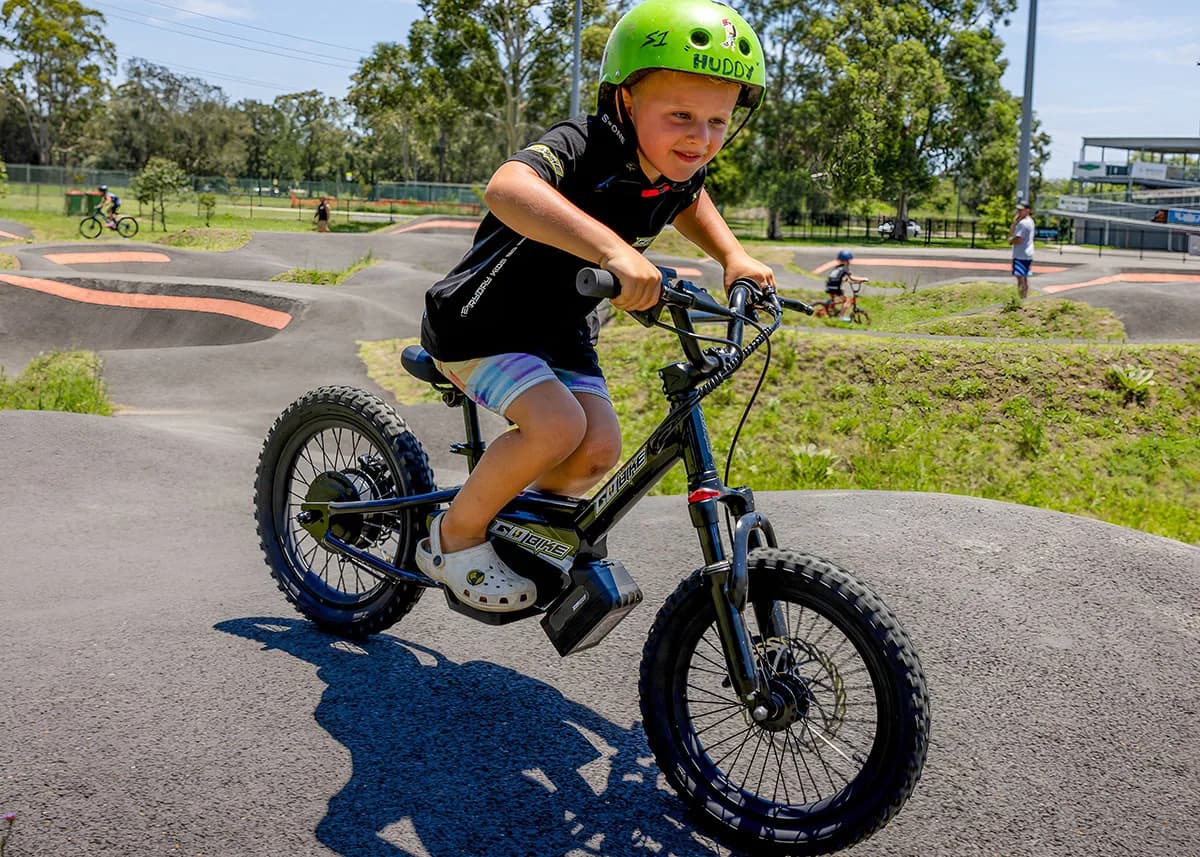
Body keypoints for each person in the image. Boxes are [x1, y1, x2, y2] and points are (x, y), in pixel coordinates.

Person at [415, 0, 775, 612]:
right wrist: (614, 251)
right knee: (557, 427)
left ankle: (512, 525)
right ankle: (453, 537)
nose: (700, 137)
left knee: (598, 449)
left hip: (560, 329)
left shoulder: (671, 165)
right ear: (627, 101)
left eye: (718, 122)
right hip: (483, 322)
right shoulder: (585, 144)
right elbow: (508, 187)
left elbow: (690, 198)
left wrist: (733, 257)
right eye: (681, 115)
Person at [824, 250, 867, 322]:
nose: (849, 262)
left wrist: (844, 280)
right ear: (846, 260)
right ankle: (841, 316)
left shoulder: (837, 267)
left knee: (839, 297)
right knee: (847, 301)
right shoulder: (845, 268)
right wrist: (863, 279)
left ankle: (830, 305)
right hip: (835, 287)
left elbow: (836, 276)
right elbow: (852, 278)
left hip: (829, 286)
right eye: (848, 260)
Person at [1009, 199, 1035, 299]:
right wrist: (1016, 221)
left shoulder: (1023, 223)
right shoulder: (1030, 221)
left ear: (1027, 210)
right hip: (1027, 253)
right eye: (1018, 210)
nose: (1019, 212)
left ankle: (1022, 298)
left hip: (1021, 254)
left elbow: (1019, 239)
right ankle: (1024, 298)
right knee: (1024, 277)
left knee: (1020, 278)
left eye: (1021, 210)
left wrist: (1011, 240)